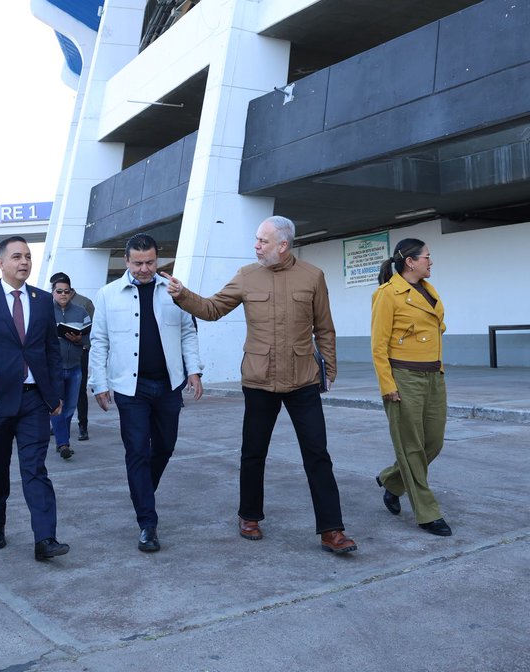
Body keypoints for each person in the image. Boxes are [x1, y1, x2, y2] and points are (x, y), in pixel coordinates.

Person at [165, 216, 357, 554]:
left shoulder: (312, 276)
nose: (256, 246)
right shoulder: (246, 276)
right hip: (258, 379)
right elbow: (211, 309)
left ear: (282, 245)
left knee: (317, 454)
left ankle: (332, 530)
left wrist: (328, 369)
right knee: (253, 453)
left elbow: (325, 328)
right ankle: (249, 516)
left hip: (302, 380)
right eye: (256, 240)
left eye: (262, 241)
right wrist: (183, 295)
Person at [89, 235, 202, 552]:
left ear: (157, 260)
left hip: (168, 385)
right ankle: (147, 524)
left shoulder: (173, 291)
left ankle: (142, 492)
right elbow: (99, 342)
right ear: (126, 261)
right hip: (130, 388)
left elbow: (188, 332)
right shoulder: (108, 295)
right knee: (137, 451)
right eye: (137, 263)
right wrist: (99, 383)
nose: (144, 269)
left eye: (150, 262)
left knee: (164, 446)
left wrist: (194, 370)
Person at [0, 236, 69, 562]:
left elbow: (51, 350)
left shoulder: (43, 299)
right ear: (1, 263)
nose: (24, 262)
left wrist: (56, 394)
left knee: (35, 468)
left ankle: (45, 539)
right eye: (17, 256)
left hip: (34, 400)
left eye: (28, 256)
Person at [371, 238, 452, 537]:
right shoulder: (387, 294)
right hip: (404, 378)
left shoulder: (429, 291)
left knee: (433, 442)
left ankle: (392, 480)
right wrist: (386, 384)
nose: (431, 262)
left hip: (434, 375)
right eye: (427, 257)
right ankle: (428, 513)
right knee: (411, 447)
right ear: (410, 261)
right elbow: (378, 345)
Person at [49, 273, 91, 461]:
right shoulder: (45, 312)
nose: (63, 295)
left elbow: (90, 337)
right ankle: (63, 443)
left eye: (67, 291)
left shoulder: (81, 312)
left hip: (75, 366)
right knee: (57, 406)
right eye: (59, 291)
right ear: (53, 292)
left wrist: (79, 340)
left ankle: (61, 437)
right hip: (54, 368)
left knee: (70, 406)